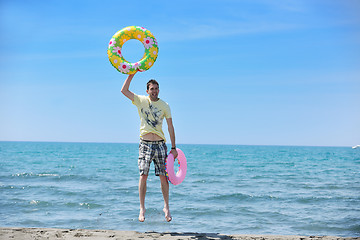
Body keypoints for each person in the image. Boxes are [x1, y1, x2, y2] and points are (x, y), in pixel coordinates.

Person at [121, 72, 178, 222]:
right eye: (152, 88)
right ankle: (142, 208)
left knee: (163, 177)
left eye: (157, 88)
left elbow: (170, 126)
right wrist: (131, 74)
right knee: (143, 175)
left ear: (159, 90)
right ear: (147, 91)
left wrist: (173, 147)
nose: (154, 91)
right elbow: (124, 91)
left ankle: (166, 206)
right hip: (145, 144)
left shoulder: (165, 105)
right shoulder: (141, 100)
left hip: (160, 145)